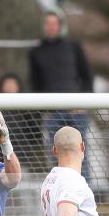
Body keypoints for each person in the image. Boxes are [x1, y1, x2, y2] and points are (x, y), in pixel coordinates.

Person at [29, 11, 94, 179]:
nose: (51, 27)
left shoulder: (73, 46)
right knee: (56, 152)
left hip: (76, 109)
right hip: (53, 112)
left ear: (60, 26)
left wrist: (83, 103)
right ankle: (61, 188)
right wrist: (45, 110)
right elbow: (36, 85)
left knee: (80, 151)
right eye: (48, 23)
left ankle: (85, 189)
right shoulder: (36, 52)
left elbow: (87, 77)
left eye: (54, 23)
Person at [0, 73, 40, 169]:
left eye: (13, 84)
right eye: (7, 84)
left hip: (22, 155)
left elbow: (35, 132)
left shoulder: (26, 108)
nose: (10, 88)